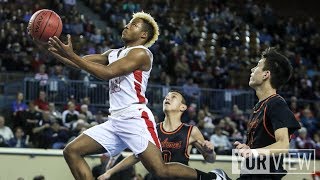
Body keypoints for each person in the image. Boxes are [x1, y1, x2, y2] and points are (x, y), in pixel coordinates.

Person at [31, 11, 227, 180]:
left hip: (135, 118)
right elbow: (78, 62)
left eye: (133, 25)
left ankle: (211, 177)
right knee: (72, 151)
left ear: (143, 35)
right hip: (115, 120)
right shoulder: (114, 53)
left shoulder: (141, 53)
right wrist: (51, 48)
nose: (126, 25)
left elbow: (105, 73)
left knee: (160, 171)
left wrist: (71, 55)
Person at [98, 90, 219, 180]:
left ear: (183, 107)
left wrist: (209, 152)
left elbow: (210, 160)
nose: (168, 98)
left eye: (174, 97)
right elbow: (136, 156)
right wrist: (110, 172)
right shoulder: (152, 129)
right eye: (166, 97)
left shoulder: (191, 131)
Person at [233, 48, 301, 179]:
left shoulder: (275, 103)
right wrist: (247, 148)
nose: (252, 70)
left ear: (266, 74)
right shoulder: (260, 106)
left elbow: (283, 145)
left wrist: (253, 152)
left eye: (257, 65)